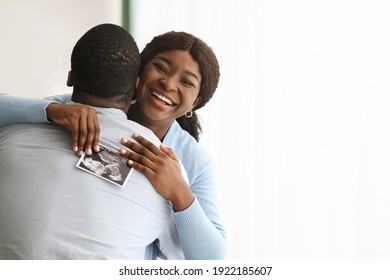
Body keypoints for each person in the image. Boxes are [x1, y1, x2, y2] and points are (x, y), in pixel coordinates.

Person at [0, 31, 226, 259]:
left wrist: (180, 193)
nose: (168, 83)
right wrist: (51, 111)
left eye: (186, 82)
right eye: (161, 68)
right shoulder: (78, 105)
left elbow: (212, 259)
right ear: (138, 73)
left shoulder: (194, 162)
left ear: (195, 102)